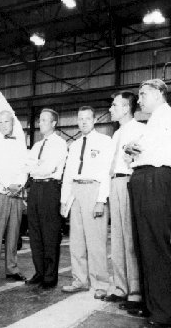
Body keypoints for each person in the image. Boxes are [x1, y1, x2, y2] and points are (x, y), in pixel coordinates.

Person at [125, 79, 171, 328]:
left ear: (159, 93)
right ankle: (150, 305)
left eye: (143, 94)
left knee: (156, 248)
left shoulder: (170, 117)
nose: (139, 99)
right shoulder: (153, 122)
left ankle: (162, 314)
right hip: (144, 179)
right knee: (143, 246)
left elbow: (156, 153)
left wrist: (135, 150)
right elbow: (138, 153)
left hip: (156, 180)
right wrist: (133, 150)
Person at [60, 106, 114, 300]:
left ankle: (101, 283)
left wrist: (101, 200)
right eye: (80, 119)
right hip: (76, 191)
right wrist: (64, 199)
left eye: (87, 119)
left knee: (96, 242)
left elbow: (106, 172)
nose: (83, 122)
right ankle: (80, 280)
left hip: (94, 190)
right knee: (76, 241)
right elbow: (68, 174)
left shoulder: (105, 142)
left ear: (94, 121)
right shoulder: (73, 146)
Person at [104, 91, 145, 305]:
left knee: (130, 238)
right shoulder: (117, 134)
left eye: (114, 105)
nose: (111, 109)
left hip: (129, 182)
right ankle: (120, 287)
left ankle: (136, 290)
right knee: (118, 239)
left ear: (127, 108)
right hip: (115, 183)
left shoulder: (140, 130)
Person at [0, 110, 28, 286]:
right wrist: (9, 184)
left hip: (16, 191)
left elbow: (25, 165)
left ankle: (12, 268)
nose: (3, 126)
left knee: (14, 231)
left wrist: (19, 184)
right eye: (0, 122)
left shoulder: (20, 141)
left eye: (6, 122)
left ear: (13, 123)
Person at [25, 108, 68, 289]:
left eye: (44, 120)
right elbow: (28, 166)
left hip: (50, 188)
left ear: (53, 123)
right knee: (35, 233)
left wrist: (37, 166)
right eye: (40, 120)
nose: (40, 123)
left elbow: (48, 168)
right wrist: (36, 166)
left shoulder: (59, 144)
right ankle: (39, 272)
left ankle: (50, 277)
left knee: (50, 233)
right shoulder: (36, 145)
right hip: (35, 188)